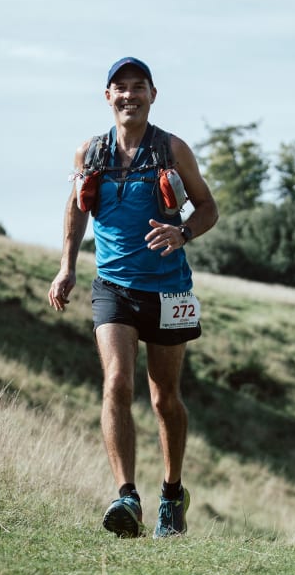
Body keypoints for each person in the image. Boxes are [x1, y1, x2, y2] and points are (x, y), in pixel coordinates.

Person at [48, 57, 219, 538]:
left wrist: (182, 233)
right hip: (113, 288)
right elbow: (76, 208)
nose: (129, 95)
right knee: (117, 383)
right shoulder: (91, 153)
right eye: (120, 88)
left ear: (152, 95)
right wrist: (67, 266)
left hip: (168, 290)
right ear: (108, 97)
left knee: (164, 399)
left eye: (138, 87)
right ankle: (127, 497)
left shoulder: (172, 149)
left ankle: (171, 494)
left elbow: (208, 207)